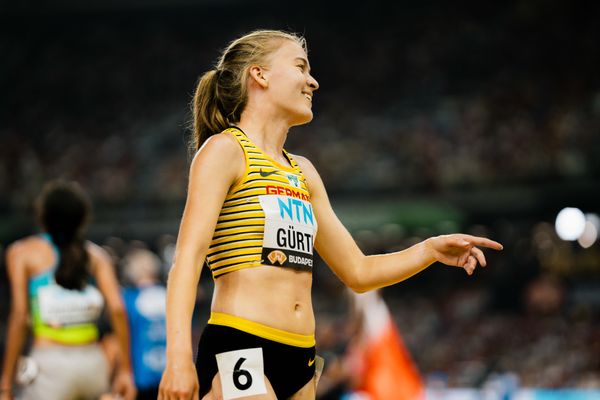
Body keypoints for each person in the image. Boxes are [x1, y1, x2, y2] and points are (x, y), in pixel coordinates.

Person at [158, 29, 503, 400]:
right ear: (260, 75)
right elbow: (187, 260)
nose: (313, 81)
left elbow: (358, 272)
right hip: (242, 343)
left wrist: (430, 250)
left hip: (302, 355)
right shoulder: (224, 151)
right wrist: (177, 356)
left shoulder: (302, 171)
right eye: (300, 66)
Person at [0, 180, 137, 400]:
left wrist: (5, 384)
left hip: (49, 365)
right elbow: (118, 310)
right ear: (82, 218)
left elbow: (20, 317)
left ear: (42, 216)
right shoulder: (96, 256)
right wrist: (126, 372)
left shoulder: (22, 253)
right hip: (93, 365)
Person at [122, 248, 167, 400]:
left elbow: (122, 338)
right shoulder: (170, 296)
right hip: (171, 374)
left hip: (142, 376)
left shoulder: (128, 299)